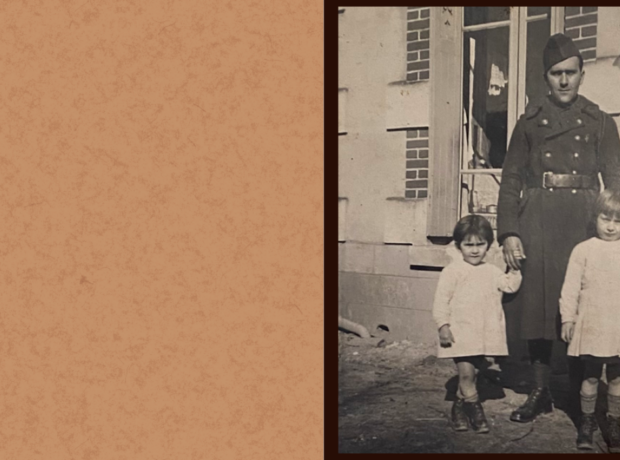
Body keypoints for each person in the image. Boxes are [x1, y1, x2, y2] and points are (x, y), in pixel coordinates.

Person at [497, 33, 620, 423]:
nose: (564, 81)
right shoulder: (530, 123)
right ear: (545, 78)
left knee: (589, 303)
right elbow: (512, 178)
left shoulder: (600, 122)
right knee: (539, 305)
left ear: (583, 74)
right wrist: (509, 232)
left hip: (586, 221)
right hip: (538, 217)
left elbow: (616, 181)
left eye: (570, 72)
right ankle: (539, 390)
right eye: (556, 74)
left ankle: (580, 392)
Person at [432, 215, 522, 433]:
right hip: (459, 333)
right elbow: (440, 301)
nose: (474, 250)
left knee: (472, 374)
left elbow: (509, 286)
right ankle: (476, 412)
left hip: (481, 334)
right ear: (458, 245)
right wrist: (443, 325)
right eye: (468, 245)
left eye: (480, 244)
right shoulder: (452, 271)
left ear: (488, 246)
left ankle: (458, 409)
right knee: (465, 374)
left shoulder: (492, 271)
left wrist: (516, 268)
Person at [560, 190, 620, 451]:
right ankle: (586, 421)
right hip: (593, 322)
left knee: (617, 378)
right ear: (594, 217)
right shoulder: (583, 250)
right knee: (592, 375)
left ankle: (615, 424)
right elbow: (570, 288)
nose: (610, 226)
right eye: (605, 218)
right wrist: (567, 319)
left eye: (618, 221)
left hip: (618, 324)